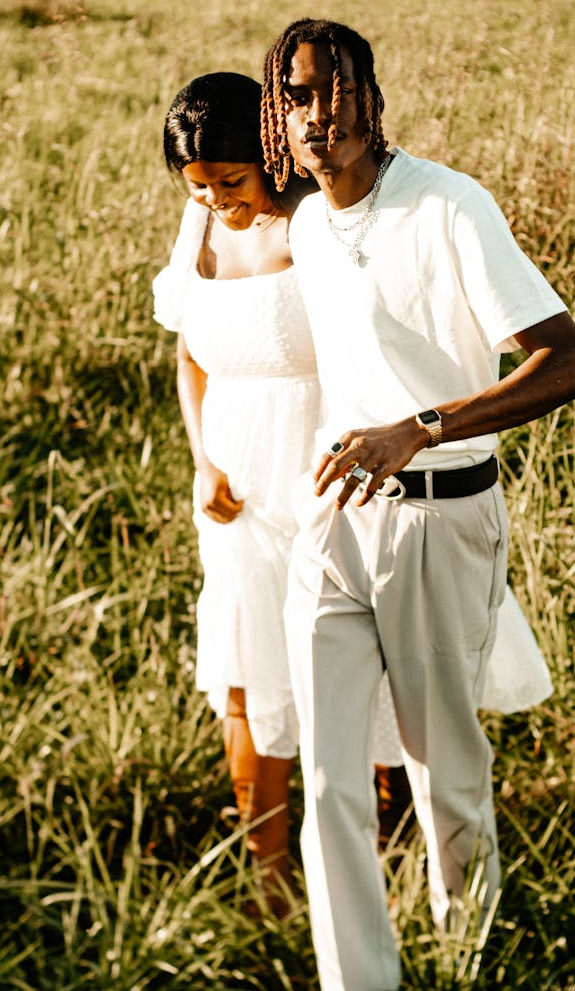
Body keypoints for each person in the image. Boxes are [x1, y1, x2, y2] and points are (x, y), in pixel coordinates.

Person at [260, 18, 575, 989]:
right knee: (328, 781)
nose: (318, 112)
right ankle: (358, 980)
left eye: (334, 89)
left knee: (444, 774)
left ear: (371, 94)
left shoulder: (450, 208)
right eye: (297, 97)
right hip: (334, 522)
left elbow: (568, 363)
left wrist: (421, 425)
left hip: (442, 517)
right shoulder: (309, 224)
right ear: (280, 121)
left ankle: (467, 960)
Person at [151, 71, 406, 915]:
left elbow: (371, 349)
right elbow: (191, 356)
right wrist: (201, 460)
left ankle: (377, 849)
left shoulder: (313, 226)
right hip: (233, 485)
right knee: (245, 668)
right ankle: (268, 876)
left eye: (231, 181)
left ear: (267, 155)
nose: (218, 201)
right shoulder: (199, 229)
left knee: (351, 663)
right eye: (199, 187)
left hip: (323, 468)